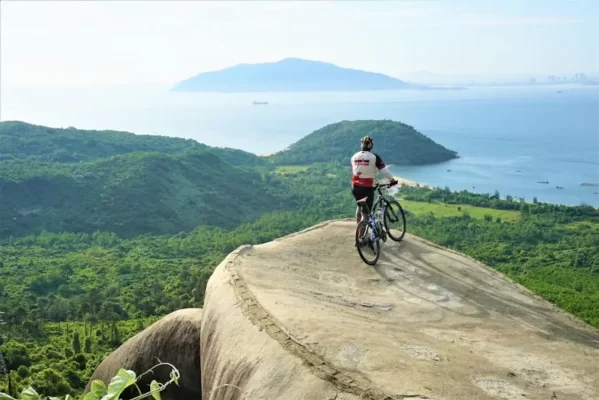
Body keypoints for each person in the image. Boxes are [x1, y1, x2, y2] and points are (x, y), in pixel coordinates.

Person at [350, 136, 397, 241]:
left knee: (360, 206)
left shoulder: (354, 156)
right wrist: (392, 181)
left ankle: (359, 228)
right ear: (371, 146)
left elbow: (357, 170)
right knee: (366, 214)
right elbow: (384, 171)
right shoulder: (374, 157)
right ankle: (361, 238)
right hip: (367, 188)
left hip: (355, 187)